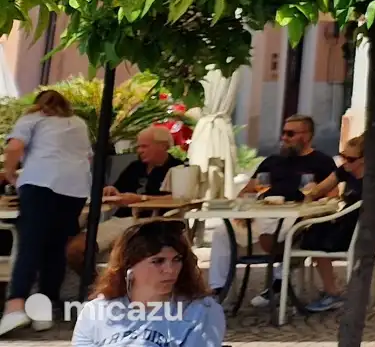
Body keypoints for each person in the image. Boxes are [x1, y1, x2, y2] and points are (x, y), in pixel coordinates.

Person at [214, 115, 338, 305]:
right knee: (222, 232)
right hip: (262, 216)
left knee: (292, 231)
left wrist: (315, 194)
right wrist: (243, 210)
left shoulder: (322, 162)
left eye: (290, 133)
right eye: (283, 133)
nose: (284, 138)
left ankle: (278, 283)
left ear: (306, 136)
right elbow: (248, 190)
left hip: (298, 217)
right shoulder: (272, 161)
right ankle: (218, 288)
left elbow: (333, 196)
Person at [0, 89, 91, 335]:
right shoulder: (79, 123)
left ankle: (15, 305)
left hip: (40, 183)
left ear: (39, 103)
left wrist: (10, 173)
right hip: (75, 188)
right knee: (55, 247)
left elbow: (14, 147)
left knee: (31, 243)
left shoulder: (33, 117)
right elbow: (88, 158)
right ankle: (43, 308)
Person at [294, 137, 375, 313]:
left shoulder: (369, 182)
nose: (345, 161)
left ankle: (331, 293)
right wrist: (309, 195)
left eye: (350, 159)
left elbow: (357, 212)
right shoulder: (346, 170)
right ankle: (296, 281)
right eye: (342, 156)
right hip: (352, 222)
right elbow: (321, 189)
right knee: (311, 233)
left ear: (363, 160)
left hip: (368, 228)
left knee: (312, 238)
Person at [71, 219, 224, 347]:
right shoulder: (96, 312)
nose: (170, 270)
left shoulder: (201, 310)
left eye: (177, 260)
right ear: (129, 266)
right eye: (158, 261)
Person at [70, 126, 183, 270]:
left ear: (163, 146)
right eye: (138, 147)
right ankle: (98, 285)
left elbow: (180, 197)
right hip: (120, 220)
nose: (139, 151)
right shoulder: (135, 167)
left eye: (144, 146)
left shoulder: (177, 168)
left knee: (116, 251)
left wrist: (141, 199)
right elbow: (120, 191)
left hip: (152, 222)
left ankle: (110, 287)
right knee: (73, 249)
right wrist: (112, 191)